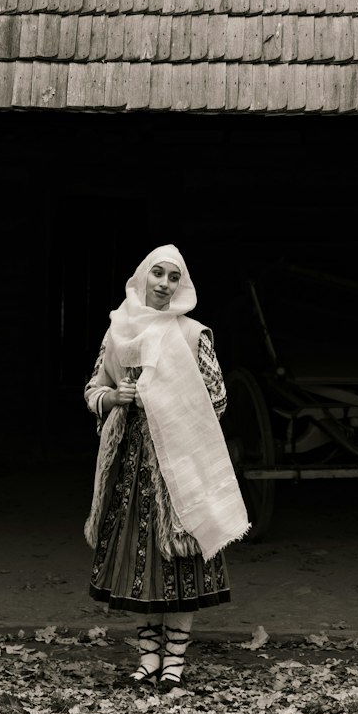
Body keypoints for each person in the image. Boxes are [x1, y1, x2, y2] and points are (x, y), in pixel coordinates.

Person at [83, 245, 249, 690]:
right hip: (133, 464)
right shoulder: (119, 331)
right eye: (157, 273)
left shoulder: (194, 335)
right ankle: (148, 659)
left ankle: (174, 663)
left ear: (182, 286)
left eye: (173, 277)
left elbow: (217, 400)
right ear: (142, 277)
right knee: (142, 565)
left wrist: (168, 404)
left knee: (180, 563)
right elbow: (94, 387)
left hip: (179, 463)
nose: (163, 283)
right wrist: (114, 398)